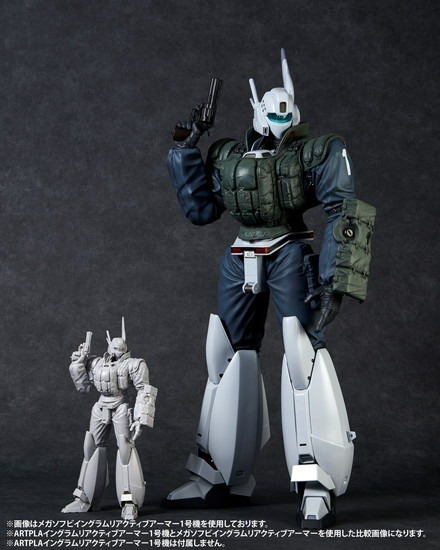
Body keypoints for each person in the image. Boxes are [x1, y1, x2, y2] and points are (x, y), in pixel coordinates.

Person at [165, 49, 375, 528]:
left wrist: (336, 279)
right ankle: (219, 477)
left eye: (287, 110)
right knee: (225, 355)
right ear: (257, 109)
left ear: (294, 111)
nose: (280, 117)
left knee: (302, 352)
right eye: (272, 110)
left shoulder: (316, 151)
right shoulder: (228, 155)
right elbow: (201, 210)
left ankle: (317, 481)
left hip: (289, 251)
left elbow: (344, 210)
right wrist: (187, 148)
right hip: (240, 253)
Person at [62, 318, 157, 520]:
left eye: (120, 348)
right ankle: (85, 498)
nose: (116, 351)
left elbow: (144, 389)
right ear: (108, 346)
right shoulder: (96, 362)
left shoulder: (134, 364)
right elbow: (83, 386)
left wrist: (140, 417)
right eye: (114, 348)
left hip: (121, 406)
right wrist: (79, 361)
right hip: (100, 406)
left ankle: (130, 501)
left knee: (125, 450)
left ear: (125, 349)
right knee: (91, 448)